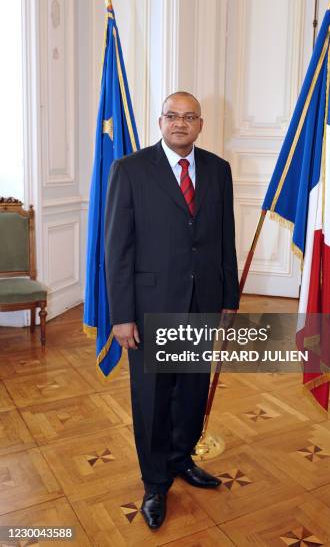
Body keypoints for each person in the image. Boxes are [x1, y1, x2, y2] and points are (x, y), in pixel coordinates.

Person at [104, 91, 239, 530]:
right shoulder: (130, 169)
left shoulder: (219, 170)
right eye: (172, 116)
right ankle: (155, 482)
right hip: (149, 309)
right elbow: (117, 250)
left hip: (201, 306)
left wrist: (228, 300)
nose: (181, 123)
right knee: (153, 399)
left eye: (190, 117)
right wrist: (121, 316)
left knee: (191, 394)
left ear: (201, 124)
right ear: (159, 121)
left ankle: (182, 460)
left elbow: (224, 238)